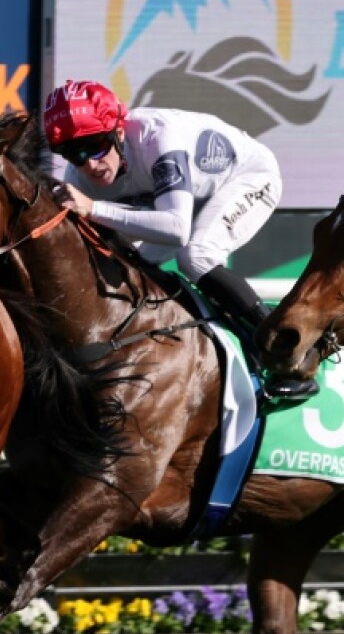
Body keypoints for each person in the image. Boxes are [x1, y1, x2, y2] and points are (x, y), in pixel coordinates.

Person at [42, 79, 317, 400]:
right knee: (126, 266)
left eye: (97, 145)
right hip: (183, 203)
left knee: (196, 255)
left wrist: (93, 208)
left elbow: (175, 228)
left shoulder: (157, 137)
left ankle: (286, 356)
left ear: (118, 131)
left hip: (248, 177)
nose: (90, 164)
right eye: (74, 153)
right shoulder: (78, 177)